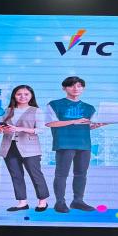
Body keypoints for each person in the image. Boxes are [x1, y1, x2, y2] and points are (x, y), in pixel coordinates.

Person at [45, 76, 107, 213]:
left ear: (83, 88)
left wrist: (98, 124)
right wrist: (74, 121)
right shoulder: (54, 104)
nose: (75, 88)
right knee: (62, 174)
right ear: (64, 88)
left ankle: (78, 201)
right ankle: (60, 203)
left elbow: (88, 126)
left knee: (81, 174)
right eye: (71, 85)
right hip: (64, 143)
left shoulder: (89, 108)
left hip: (84, 144)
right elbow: (50, 123)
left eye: (79, 86)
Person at [0, 84, 49, 212]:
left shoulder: (36, 111)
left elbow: (41, 130)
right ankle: (22, 202)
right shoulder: (7, 110)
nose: (22, 97)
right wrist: (1, 129)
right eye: (19, 94)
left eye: (26, 94)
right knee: (16, 175)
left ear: (31, 96)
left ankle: (42, 201)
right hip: (9, 147)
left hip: (30, 148)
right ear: (14, 96)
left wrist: (19, 129)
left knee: (35, 175)